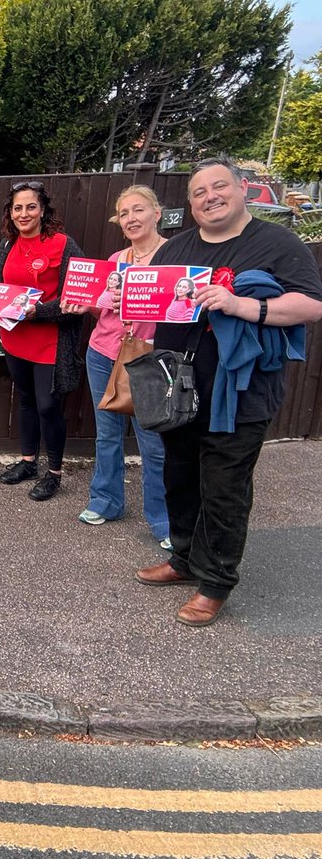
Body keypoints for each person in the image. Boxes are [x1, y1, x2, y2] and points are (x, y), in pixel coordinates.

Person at [135, 157, 322, 627]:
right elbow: (152, 309)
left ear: (242, 189)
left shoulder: (277, 243)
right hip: (177, 387)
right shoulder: (174, 248)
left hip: (239, 392)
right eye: (199, 192)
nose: (209, 197)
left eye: (219, 187)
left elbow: (310, 305)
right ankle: (183, 559)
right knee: (179, 478)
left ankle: (216, 582)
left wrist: (241, 304)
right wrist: (124, 293)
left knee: (224, 488)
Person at [61, 185, 169, 549]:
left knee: (152, 441)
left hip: (150, 357)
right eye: (124, 214)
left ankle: (164, 518)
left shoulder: (173, 258)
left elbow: (184, 312)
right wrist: (84, 304)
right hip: (103, 351)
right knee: (107, 433)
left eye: (138, 210)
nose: (131, 219)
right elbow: (102, 309)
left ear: (157, 212)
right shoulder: (116, 259)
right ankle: (106, 501)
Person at [0, 180, 84, 501]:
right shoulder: (6, 245)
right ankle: (28, 462)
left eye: (30, 206)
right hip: (15, 339)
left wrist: (39, 313)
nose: (24, 213)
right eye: (17, 207)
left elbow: (76, 297)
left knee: (49, 406)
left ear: (43, 210)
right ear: (11, 212)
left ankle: (54, 473)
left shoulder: (63, 245)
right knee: (25, 400)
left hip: (50, 342)